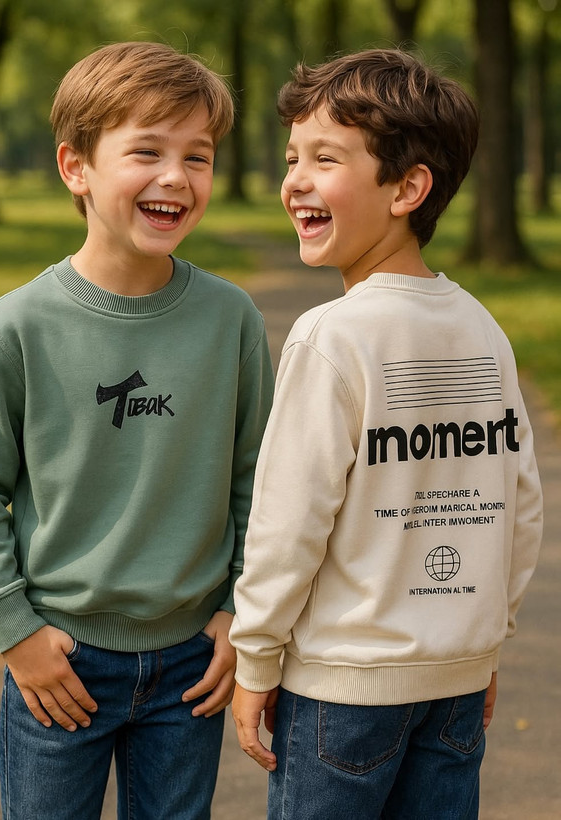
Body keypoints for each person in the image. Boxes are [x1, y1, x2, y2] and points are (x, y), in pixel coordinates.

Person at [0, 41, 274, 820]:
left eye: (198, 156)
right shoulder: (16, 327)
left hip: (191, 663)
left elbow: (258, 480)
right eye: (147, 151)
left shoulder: (230, 319)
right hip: (59, 659)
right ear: (76, 167)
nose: (176, 176)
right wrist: (14, 630)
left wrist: (238, 609)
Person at [229, 48, 543, 819]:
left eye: (324, 158)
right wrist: (483, 638)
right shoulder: (481, 329)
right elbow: (520, 505)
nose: (294, 180)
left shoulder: (330, 337)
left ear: (407, 189)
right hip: (455, 683)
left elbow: (288, 520)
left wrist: (255, 657)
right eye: (292, 158)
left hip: (343, 687)